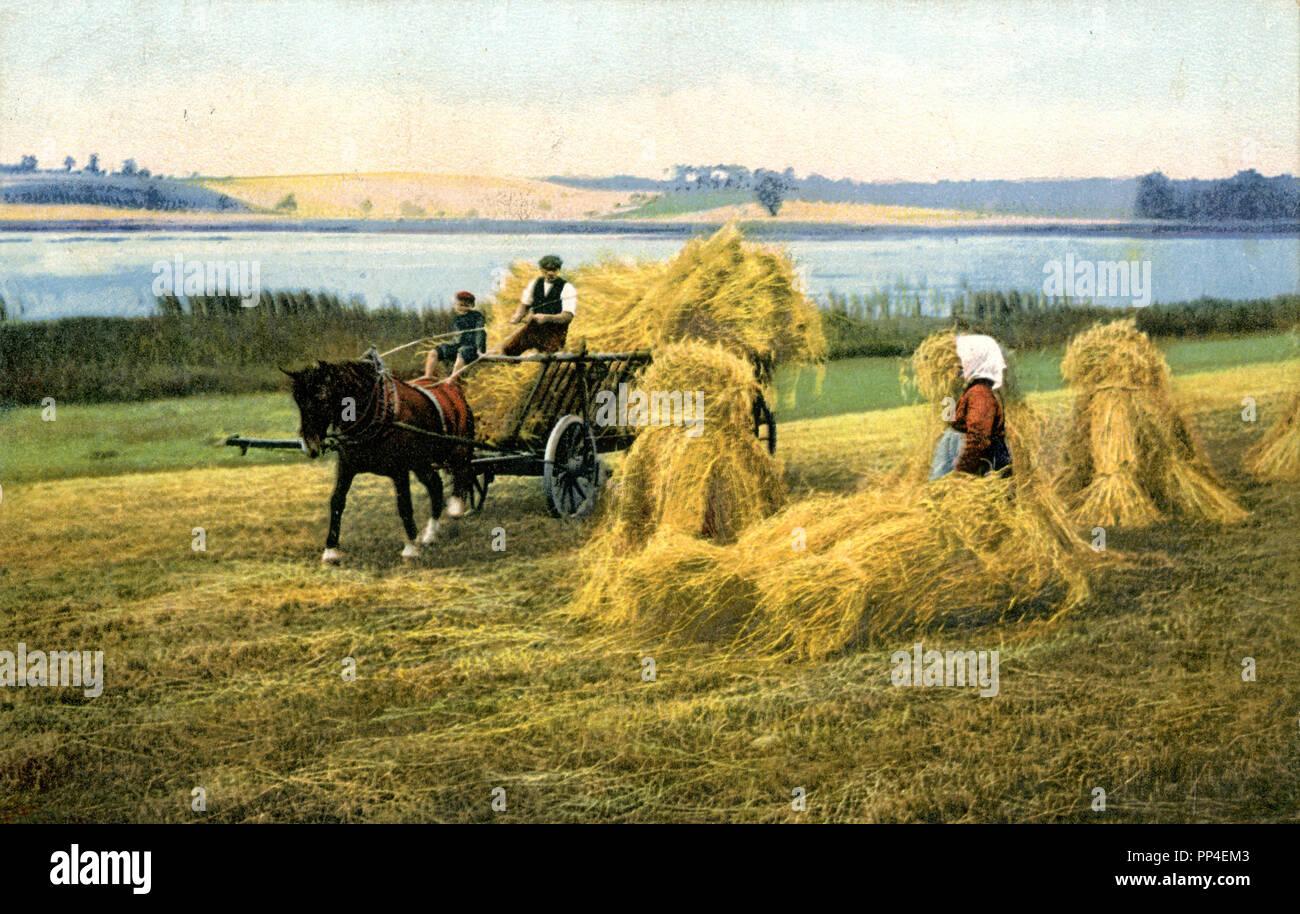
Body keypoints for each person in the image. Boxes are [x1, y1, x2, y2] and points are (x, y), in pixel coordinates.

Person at [929, 334, 1012, 480]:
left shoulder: (980, 394)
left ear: (977, 361)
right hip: (958, 456)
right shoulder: (973, 390)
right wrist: (948, 392)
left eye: (964, 358)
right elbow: (951, 419)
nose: (960, 365)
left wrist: (961, 471)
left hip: (967, 463)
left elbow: (978, 438)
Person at [500, 254, 576, 356]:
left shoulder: (567, 287)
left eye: (554, 270)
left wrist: (547, 318)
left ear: (558, 270)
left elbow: (568, 317)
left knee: (549, 357)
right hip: (533, 329)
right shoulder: (534, 283)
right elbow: (524, 304)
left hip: (555, 333)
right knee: (509, 350)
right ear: (541, 269)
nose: (550, 273)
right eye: (547, 270)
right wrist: (518, 316)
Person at [424, 291, 486, 378]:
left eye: (466, 305)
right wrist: (447, 347)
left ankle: (451, 381)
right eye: (460, 305)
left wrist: (479, 349)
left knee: (461, 353)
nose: (462, 308)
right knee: (434, 351)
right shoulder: (457, 319)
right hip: (457, 346)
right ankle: (427, 377)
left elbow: (480, 333)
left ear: (471, 306)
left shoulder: (477, 316)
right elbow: (456, 339)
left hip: (472, 348)